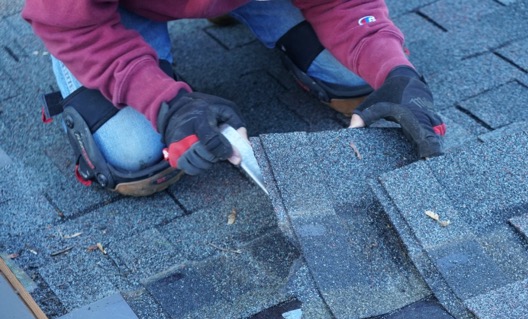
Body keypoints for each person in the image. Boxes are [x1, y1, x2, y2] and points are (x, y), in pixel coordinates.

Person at [22, 0, 446, 196]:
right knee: (135, 155)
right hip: (113, 14)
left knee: (357, 78)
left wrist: (396, 73)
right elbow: (72, 26)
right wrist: (167, 103)